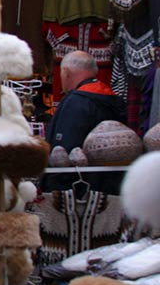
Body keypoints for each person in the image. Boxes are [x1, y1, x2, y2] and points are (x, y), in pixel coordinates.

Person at [43, 51, 126, 193]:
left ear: (66, 72)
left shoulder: (75, 102)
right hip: (112, 188)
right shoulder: (115, 99)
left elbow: (63, 151)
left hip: (77, 191)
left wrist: (52, 188)